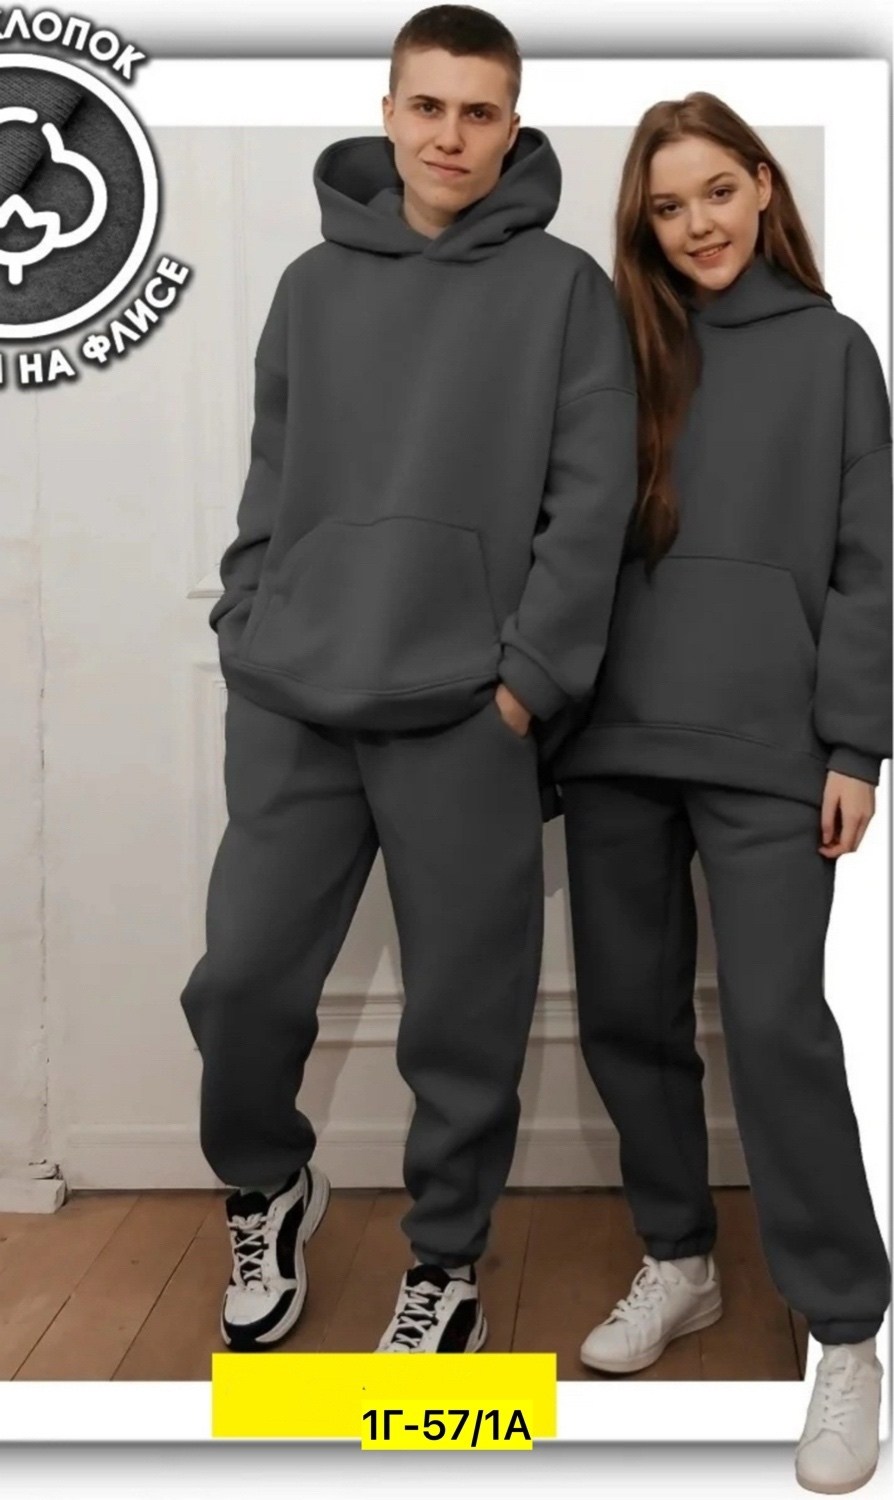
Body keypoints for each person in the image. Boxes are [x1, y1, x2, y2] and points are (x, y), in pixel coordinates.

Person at [180, 4, 637, 1356]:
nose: (449, 135)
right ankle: (269, 1184)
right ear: (387, 112)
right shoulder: (311, 286)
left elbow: (591, 504)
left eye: (477, 111)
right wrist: (249, 617)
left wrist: (527, 681)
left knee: (463, 1015)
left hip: (465, 715)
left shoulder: (565, 291)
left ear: (511, 126)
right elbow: (272, 475)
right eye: (426, 106)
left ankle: (446, 1262)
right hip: (295, 695)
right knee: (240, 982)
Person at [553, 92, 891, 1492]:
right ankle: (679, 1258)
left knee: (774, 1027)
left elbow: (869, 560)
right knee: (630, 1019)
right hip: (614, 740)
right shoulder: (615, 348)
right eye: (665, 204)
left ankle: (848, 1332)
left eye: (715, 192)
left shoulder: (833, 351)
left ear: (762, 186)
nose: (695, 224)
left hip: (769, 746)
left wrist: (854, 746)